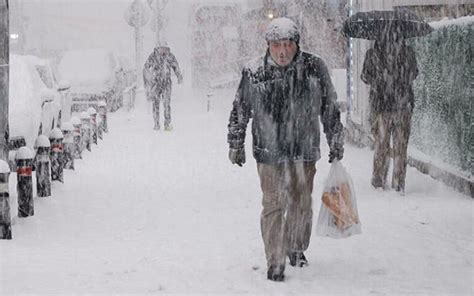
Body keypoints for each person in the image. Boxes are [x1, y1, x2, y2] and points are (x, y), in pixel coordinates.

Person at [227, 18, 344, 282]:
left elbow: (329, 107)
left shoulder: (314, 68)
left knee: (301, 203)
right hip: (268, 150)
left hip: (304, 149)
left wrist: (335, 139)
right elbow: (240, 109)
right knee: (273, 204)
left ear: (297, 45)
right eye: (277, 45)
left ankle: (295, 247)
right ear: (268, 45)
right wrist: (236, 142)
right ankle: (276, 260)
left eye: (288, 45)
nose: (282, 51)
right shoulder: (254, 71)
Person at [361, 36, 418, 193]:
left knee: (381, 145)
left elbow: (365, 77)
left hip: (381, 106)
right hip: (403, 106)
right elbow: (414, 74)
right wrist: (399, 80)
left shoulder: (373, 53)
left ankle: (378, 180)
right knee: (401, 147)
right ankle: (399, 183)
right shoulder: (408, 52)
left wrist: (380, 81)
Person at [143, 42, 183, 131]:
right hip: (155, 83)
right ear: (157, 48)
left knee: (166, 104)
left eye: (165, 48)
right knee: (155, 104)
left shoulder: (170, 56)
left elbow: (175, 66)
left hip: (166, 83)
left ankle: (167, 124)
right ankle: (156, 124)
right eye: (161, 48)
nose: (163, 50)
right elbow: (146, 67)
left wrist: (179, 76)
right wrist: (148, 79)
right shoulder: (153, 56)